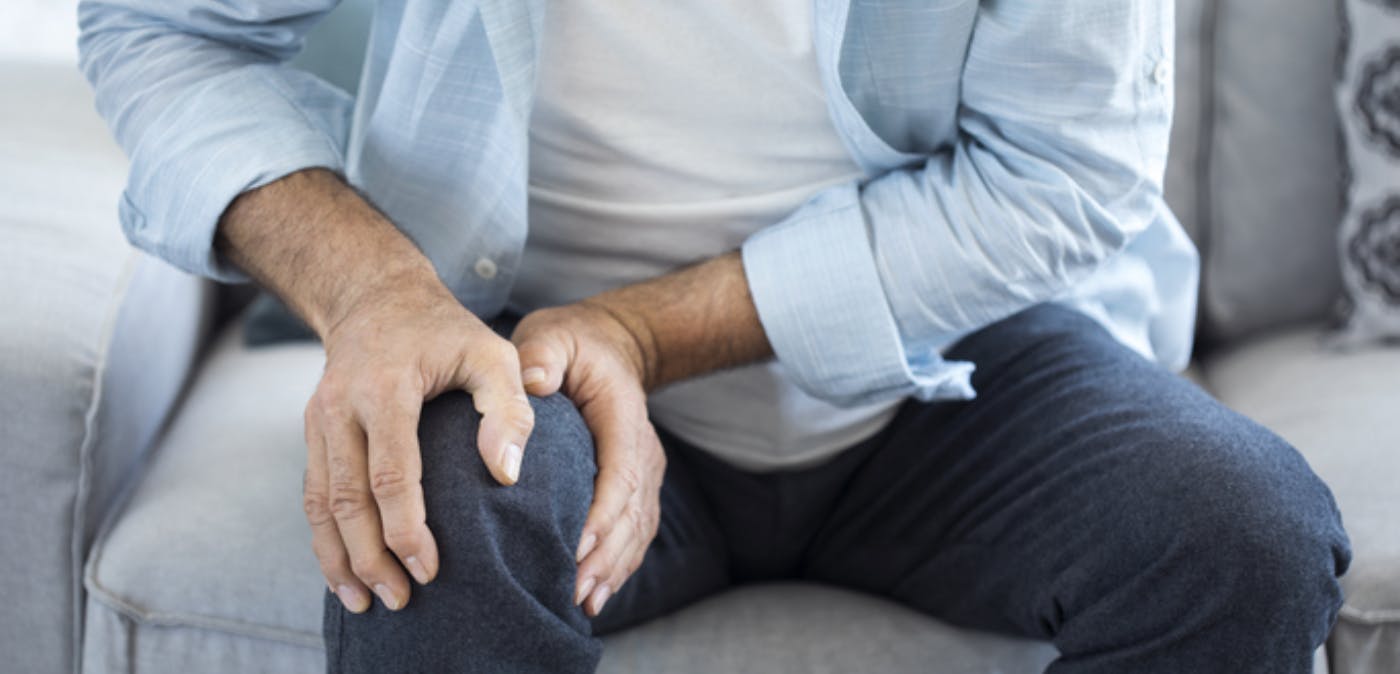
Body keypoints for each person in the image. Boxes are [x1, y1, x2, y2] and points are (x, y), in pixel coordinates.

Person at [78, 1, 1351, 672]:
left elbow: (1061, 171)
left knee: (1239, 533)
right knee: (436, 515)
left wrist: (638, 330)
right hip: (520, 339)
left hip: (957, 360)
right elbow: (166, 27)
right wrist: (373, 291)